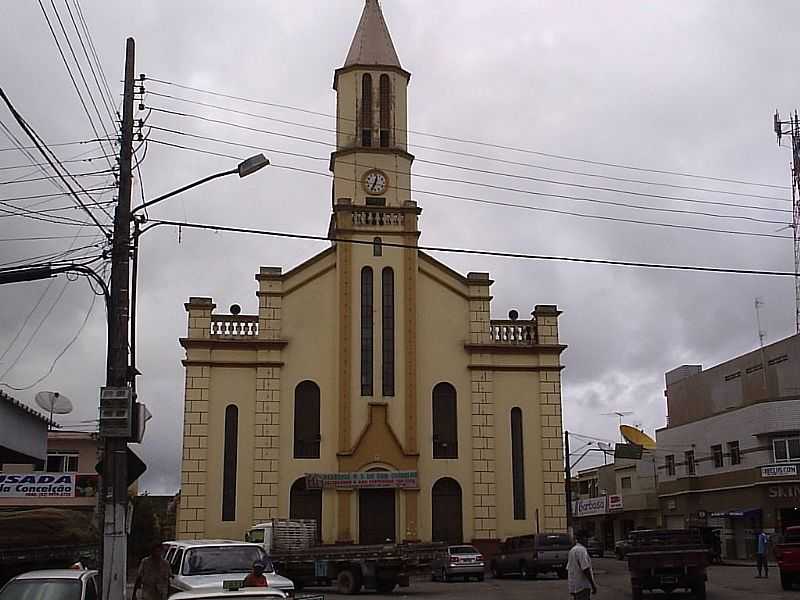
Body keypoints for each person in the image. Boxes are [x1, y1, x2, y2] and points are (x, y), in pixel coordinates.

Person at [567, 530, 597, 599]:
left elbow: (569, 568)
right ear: (581, 539)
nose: (587, 540)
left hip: (575, 585)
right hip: (582, 586)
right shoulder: (581, 550)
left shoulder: (572, 550)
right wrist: (593, 584)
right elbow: (585, 569)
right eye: (586, 538)